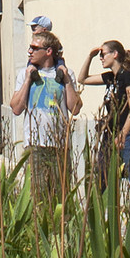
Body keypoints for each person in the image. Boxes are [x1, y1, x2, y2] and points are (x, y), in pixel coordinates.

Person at [79, 39, 130, 225]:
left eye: (103, 54)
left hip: (128, 137)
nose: (101, 58)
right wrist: (89, 56)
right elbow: (83, 79)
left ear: (115, 55)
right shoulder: (110, 78)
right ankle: (94, 229)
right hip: (109, 136)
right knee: (100, 183)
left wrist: (123, 134)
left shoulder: (128, 77)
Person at [9, 20, 79, 203]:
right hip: (35, 145)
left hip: (60, 146)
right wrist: (27, 81)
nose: (30, 51)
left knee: (60, 197)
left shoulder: (66, 74)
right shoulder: (24, 74)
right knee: (36, 197)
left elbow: (76, 108)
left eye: (34, 48)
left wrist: (67, 82)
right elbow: (16, 108)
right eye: (30, 48)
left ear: (48, 51)